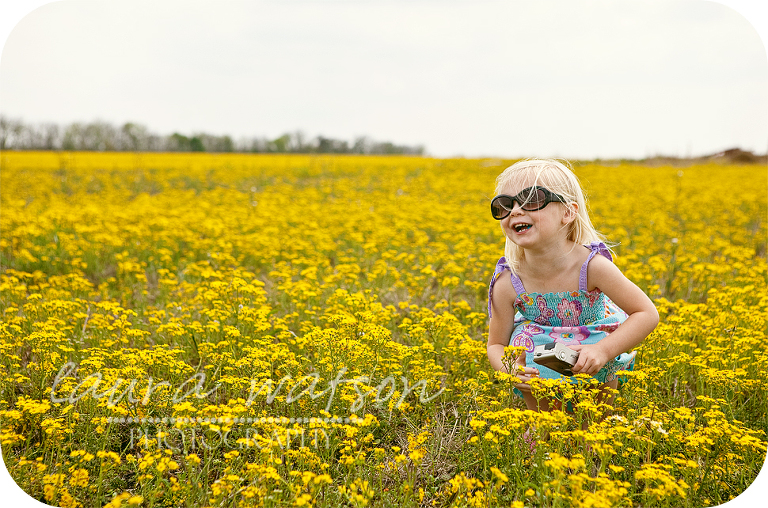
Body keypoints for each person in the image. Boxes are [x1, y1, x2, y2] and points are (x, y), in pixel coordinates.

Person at [486, 159, 659, 413]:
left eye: (532, 200)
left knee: (594, 418)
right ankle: (541, 424)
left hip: (592, 345)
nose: (515, 211)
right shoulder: (508, 282)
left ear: (568, 213)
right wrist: (510, 369)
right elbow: (495, 345)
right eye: (505, 205)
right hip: (541, 352)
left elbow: (646, 313)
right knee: (526, 340)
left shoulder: (593, 267)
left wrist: (602, 351)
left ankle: (595, 426)